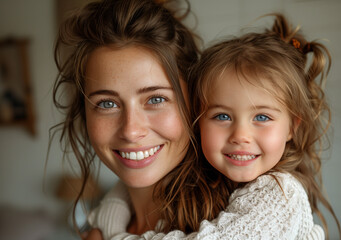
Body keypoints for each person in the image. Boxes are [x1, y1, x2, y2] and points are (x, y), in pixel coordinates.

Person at [85, 14, 341, 240]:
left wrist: (112, 234)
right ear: (199, 115)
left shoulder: (279, 194)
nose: (240, 136)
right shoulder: (213, 183)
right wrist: (108, 220)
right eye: (221, 116)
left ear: (292, 126)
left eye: (156, 99)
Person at [52, 0, 227, 238]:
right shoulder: (102, 225)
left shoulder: (238, 219)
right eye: (107, 104)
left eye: (156, 99)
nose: (131, 131)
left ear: (195, 102)